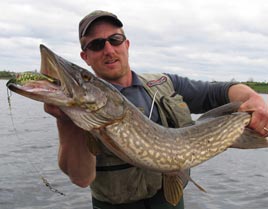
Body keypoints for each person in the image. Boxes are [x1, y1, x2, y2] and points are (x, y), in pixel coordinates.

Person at [44, 10, 268, 209]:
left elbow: (217, 92)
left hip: (169, 201)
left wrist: (253, 98)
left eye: (115, 39)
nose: (109, 49)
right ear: (86, 57)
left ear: (127, 44)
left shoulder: (164, 83)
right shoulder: (83, 111)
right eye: (96, 45)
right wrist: (66, 121)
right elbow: (81, 178)